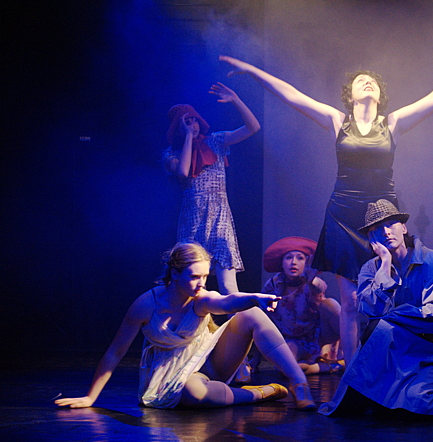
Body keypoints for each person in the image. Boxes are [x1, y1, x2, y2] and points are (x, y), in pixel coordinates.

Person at [218, 55, 433, 363]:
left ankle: (390, 363)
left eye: (373, 82)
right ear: (350, 95)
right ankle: (352, 371)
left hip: (382, 218)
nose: (368, 82)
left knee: (388, 294)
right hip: (343, 215)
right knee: (351, 301)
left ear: (380, 95)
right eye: (360, 80)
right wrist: (252, 70)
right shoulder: (336, 120)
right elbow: (291, 95)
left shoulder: (392, 123)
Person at [55, 243, 317, 411]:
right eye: (194, 276)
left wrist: (255, 298)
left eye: (204, 276)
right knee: (195, 394)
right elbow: (115, 352)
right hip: (172, 376)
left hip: (210, 363)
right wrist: (90, 397)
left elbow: (226, 302)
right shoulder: (146, 305)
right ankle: (258, 394)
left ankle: (299, 383)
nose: (201, 283)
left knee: (251, 314)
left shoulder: (200, 298)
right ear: (175, 273)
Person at [318, 200, 433, 417]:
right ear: (371, 238)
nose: (386, 232)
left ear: (404, 227)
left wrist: (392, 317)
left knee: (416, 404)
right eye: (377, 229)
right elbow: (372, 311)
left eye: (390, 224)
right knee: (380, 407)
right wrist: (385, 264)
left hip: (432, 349)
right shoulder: (370, 269)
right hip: (391, 349)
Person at [162, 82, 260, 295]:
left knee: (229, 286)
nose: (193, 125)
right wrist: (189, 137)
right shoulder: (171, 155)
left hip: (219, 217)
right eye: (186, 122)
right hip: (193, 220)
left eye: (194, 120)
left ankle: (242, 318)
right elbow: (183, 172)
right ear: (178, 127)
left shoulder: (215, 141)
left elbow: (253, 128)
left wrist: (236, 100)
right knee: (194, 287)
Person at [260, 236, 343, 374]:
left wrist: (311, 282)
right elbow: (263, 318)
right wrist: (255, 360)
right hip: (292, 340)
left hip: (318, 335)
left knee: (330, 304)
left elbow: (320, 287)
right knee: (285, 367)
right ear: (282, 263)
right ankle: (323, 367)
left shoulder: (312, 282)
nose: (293, 262)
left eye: (300, 258)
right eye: (288, 258)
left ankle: (356, 357)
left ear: (307, 262)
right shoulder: (273, 284)